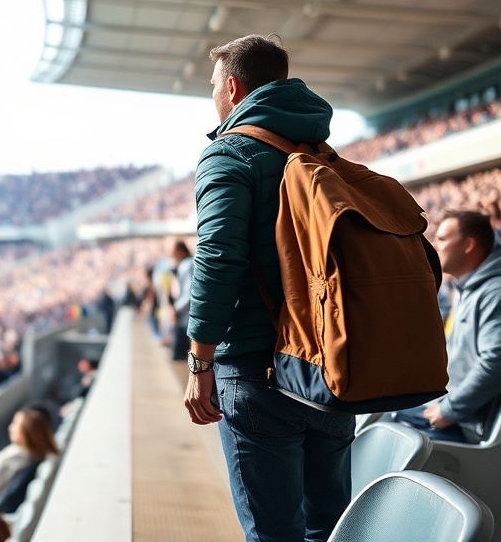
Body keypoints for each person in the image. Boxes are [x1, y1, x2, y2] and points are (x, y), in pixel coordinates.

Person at [183, 35, 354, 542]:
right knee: (329, 527)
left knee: (273, 534)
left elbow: (218, 259)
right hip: (332, 365)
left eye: (214, 86)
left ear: (233, 88)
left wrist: (200, 363)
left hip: (259, 369)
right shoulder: (322, 152)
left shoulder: (229, 155)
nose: (214, 96)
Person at [392, 209, 501, 442]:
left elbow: (496, 359)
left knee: (384, 426)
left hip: (467, 422)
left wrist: (449, 410)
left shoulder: (495, 292)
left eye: (442, 239)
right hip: (453, 408)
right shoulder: (468, 287)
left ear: (468, 244)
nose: (435, 245)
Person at [0, 408, 58, 504]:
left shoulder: (16, 459)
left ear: (26, 432)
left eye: (15, 424)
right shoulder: (38, 455)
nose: (10, 427)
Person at [169, 240, 194, 362]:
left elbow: (188, 293)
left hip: (186, 317)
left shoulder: (186, 265)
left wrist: (176, 308)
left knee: (180, 357)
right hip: (186, 316)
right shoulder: (187, 264)